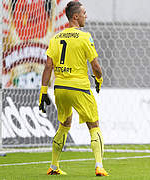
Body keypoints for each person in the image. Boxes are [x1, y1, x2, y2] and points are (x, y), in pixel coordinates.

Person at [39, 1, 108, 176]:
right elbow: (96, 66)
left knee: (63, 125)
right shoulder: (85, 37)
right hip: (79, 87)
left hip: (60, 88)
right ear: (75, 16)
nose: (86, 16)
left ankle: (54, 166)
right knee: (94, 125)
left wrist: (43, 91)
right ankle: (99, 165)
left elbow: (48, 67)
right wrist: (99, 79)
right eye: (84, 12)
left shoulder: (55, 38)